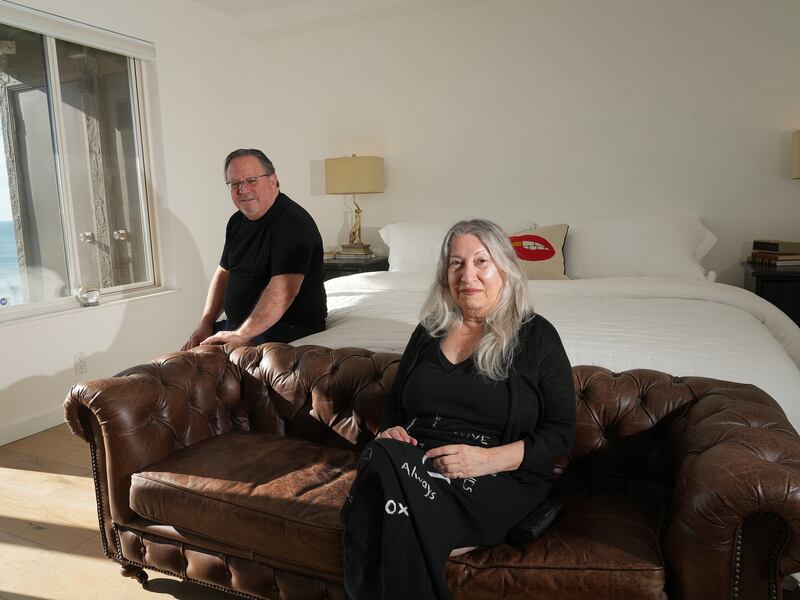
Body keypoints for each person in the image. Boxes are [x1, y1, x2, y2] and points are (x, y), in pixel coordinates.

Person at [341, 219, 576, 600]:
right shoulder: (429, 330)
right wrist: (391, 431)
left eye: (482, 262)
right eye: (456, 264)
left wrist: (486, 461)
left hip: (496, 475)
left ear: (505, 268)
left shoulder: (537, 336)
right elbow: (396, 404)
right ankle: (436, 528)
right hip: (414, 463)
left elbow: (562, 432)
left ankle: (430, 523)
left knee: (377, 501)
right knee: (382, 453)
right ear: (444, 273)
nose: (468, 275)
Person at [181, 149, 326, 350]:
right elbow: (224, 273)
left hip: (287, 328)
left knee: (202, 369)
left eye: (252, 180)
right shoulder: (236, 221)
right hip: (240, 326)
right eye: (235, 184)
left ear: (273, 180)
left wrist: (242, 334)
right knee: (185, 357)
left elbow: (284, 290)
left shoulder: (293, 223)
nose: (243, 189)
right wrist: (205, 323)